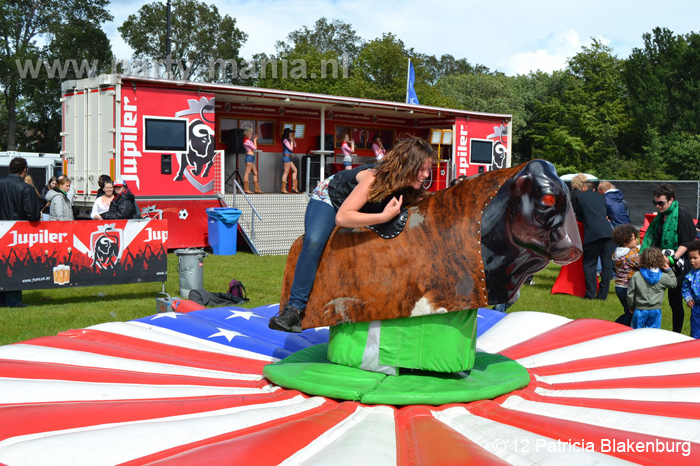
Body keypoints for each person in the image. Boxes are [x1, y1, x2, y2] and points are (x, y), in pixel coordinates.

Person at [269, 137, 435, 333]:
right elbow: (342, 217)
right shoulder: (374, 178)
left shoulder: (408, 186)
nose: (425, 175)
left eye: (428, 170)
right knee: (314, 242)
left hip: (359, 208)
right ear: (409, 165)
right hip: (330, 200)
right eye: (422, 170)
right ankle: (293, 310)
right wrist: (382, 217)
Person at [641, 183, 696, 333]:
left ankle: (676, 333)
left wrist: (671, 259)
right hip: (662, 262)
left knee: (676, 302)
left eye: (661, 203)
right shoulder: (660, 218)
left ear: (671, 200)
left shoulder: (683, 216)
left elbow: (688, 242)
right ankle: (648, 329)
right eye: (655, 202)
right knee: (653, 298)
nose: (658, 206)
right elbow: (654, 240)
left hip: (679, 265)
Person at [0, 157, 43, 307]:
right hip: (17, 233)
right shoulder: (26, 188)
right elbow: (33, 214)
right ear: (24, 170)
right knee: (15, 266)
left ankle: (2, 299)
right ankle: (12, 300)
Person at [574, 180, 614, 300]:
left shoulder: (580, 197)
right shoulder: (602, 197)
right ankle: (602, 295)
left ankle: (590, 294)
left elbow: (579, 215)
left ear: (584, 188)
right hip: (608, 233)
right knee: (607, 265)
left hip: (592, 233)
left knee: (589, 264)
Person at [627, 247, 676, 329]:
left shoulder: (637, 275)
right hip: (655, 310)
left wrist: (631, 306)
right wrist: (669, 270)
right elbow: (673, 283)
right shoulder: (663, 277)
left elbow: (630, 293)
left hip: (640, 309)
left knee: (636, 334)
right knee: (653, 334)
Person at [611, 224, 641, 326]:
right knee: (631, 313)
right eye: (633, 239)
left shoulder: (617, 253)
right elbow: (641, 263)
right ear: (625, 241)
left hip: (619, 286)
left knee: (628, 311)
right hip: (628, 287)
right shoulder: (631, 255)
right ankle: (618, 328)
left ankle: (616, 327)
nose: (636, 240)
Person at [682, 240, 700, 339]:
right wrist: (688, 298)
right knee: (696, 331)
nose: (692, 261)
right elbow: (685, 288)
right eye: (690, 258)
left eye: (695, 258)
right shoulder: (690, 275)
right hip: (696, 308)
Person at [242, 128, 263, 194]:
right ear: (246, 134)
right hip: (249, 157)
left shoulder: (248, 140)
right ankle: (246, 189)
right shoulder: (247, 141)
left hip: (251, 157)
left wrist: (254, 140)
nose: (251, 134)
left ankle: (257, 189)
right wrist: (255, 140)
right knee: (247, 173)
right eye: (250, 133)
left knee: (255, 173)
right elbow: (254, 148)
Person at [280, 128, 300, 194]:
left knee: (295, 170)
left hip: (289, 157)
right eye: (290, 133)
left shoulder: (289, 140)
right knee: (286, 172)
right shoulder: (285, 140)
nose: (291, 134)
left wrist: (293, 140)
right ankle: (283, 188)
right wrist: (291, 141)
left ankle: (294, 187)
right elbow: (291, 149)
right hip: (286, 157)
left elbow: (295, 145)